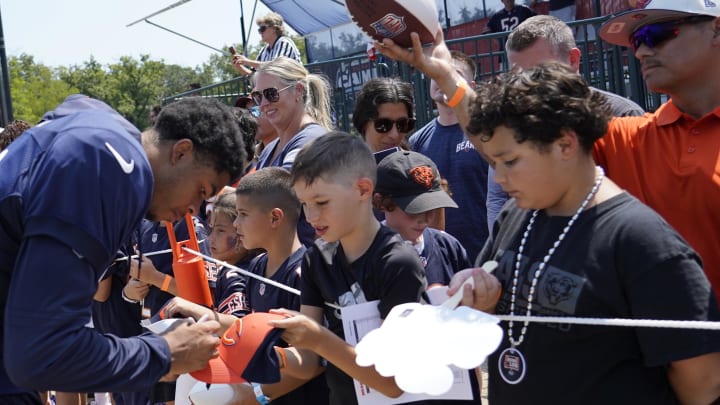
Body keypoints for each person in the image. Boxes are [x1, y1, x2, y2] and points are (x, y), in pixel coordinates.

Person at [461, 62, 720, 404]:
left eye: (510, 161)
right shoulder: (516, 214)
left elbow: (702, 383)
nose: (500, 179)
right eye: (494, 164)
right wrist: (475, 296)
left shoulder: (640, 240)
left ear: (566, 144)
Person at [0, 94, 245, 402]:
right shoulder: (112, 164)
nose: (194, 211)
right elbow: (45, 353)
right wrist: (165, 352)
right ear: (181, 152)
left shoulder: (101, 129)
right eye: (201, 191)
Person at [268, 132, 426, 405]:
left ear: (363, 190)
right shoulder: (316, 258)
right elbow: (307, 362)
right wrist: (263, 347)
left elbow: (393, 384)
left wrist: (319, 339)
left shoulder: (398, 263)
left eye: (321, 202)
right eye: (304, 204)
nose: (311, 217)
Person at [594, 0, 720, 301]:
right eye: (637, 41)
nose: (641, 52)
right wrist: (457, 92)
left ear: (716, 30)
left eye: (657, 34)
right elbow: (510, 147)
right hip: (662, 345)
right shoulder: (625, 136)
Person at [485, 14, 645, 231]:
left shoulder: (622, 115)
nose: (529, 84)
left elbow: (637, 204)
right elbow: (497, 196)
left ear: (573, 59)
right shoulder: (515, 120)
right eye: (519, 75)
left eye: (540, 72)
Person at [409, 51, 489, 261]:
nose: (441, 80)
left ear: (470, 86)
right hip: (440, 258)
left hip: (486, 254)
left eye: (453, 74)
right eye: (436, 75)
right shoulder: (417, 141)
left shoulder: (485, 132)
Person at [252, 56, 333, 246]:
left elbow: (277, 196)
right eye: (258, 96)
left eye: (271, 94)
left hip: (305, 264)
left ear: (297, 90)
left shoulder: (310, 140)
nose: (263, 103)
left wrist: (217, 192)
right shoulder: (270, 148)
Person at [374, 150, 471, 287]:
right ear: (381, 202)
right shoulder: (368, 254)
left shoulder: (447, 246)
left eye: (430, 208)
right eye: (413, 210)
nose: (424, 219)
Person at [352, 77, 416, 153]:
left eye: (402, 124)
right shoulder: (344, 163)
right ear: (363, 123)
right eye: (383, 125)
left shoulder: (418, 164)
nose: (394, 135)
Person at [231, 12, 302, 75]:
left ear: (274, 28)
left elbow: (276, 67)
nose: (260, 32)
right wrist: (239, 67)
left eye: (262, 29)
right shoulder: (263, 51)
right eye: (259, 30)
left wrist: (246, 61)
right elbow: (253, 75)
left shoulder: (284, 43)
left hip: (293, 87)